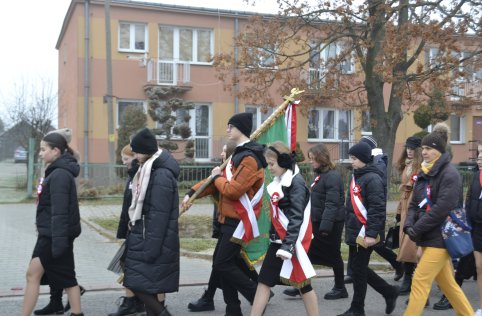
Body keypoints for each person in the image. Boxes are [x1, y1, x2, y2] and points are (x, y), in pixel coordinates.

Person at [182, 112, 266, 316]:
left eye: (231, 126)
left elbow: (233, 190)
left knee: (222, 263)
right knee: (221, 264)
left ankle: (257, 296)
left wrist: (216, 177)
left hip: (238, 219)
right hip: (227, 218)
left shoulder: (250, 158)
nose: (227, 129)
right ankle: (233, 309)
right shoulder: (237, 155)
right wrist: (191, 193)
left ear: (240, 129)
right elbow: (217, 184)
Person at [403, 132, 473, 315]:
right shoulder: (424, 172)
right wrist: (408, 224)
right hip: (427, 236)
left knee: (419, 280)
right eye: (423, 148)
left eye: (428, 148)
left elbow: (442, 208)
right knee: (449, 286)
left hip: (442, 237)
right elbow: (413, 203)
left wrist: (416, 228)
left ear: (439, 151)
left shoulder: (450, 174)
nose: (424, 152)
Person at [250, 141, 318, 316]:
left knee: (303, 284)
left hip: (291, 242)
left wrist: (288, 246)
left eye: (272, 164)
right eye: (268, 164)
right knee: (264, 281)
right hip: (278, 240)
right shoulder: (279, 180)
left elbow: (297, 218)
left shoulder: (296, 183)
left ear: (283, 161)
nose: (269, 168)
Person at [21, 132, 83, 316]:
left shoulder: (59, 175)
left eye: (43, 149)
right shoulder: (56, 172)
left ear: (55, 151)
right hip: (51, 234)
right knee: (52, 276)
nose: (40, 153)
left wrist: (59, 243)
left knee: (48, 276)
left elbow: (60, 212)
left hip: (54, 236)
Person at [123, 127, 180, 316]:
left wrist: (152, 247)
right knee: (147, 286)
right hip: (145, 235)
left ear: (145, 151)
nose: (135, 156)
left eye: (137, 152)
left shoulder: (160, 174)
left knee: (135, 282)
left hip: (152, 239)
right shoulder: (149, 169)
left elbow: (159, 215)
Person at [338, 142, 399, 316]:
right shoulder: (358, 175)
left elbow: (377, 208)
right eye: (351, 158)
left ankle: (358, 308)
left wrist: (371, 233)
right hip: (356, 230)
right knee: (358, 268)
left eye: (354, 158)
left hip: (365, 232)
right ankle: (388, 292)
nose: (351, 162)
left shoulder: (372, 178)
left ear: (364, 159)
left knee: (358, 269)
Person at [283, 143, 347, 300]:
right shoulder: (321, 174)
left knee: (334, 255)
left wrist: (325, 226)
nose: (311, 161)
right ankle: (303, 286)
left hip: (330, 224)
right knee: (308, 253)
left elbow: (332, 204)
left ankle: (340, 288)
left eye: (313, 159)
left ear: (321, 158)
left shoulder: (332, 176)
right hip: (319, 221)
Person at [108, 144, 145, 316]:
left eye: (126, 159)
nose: (124, 163)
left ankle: (132, 301)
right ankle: (135, 301)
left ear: (136, 157)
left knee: (127, 263)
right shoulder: (132, 176)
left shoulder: (140, 174)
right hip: (132, 226)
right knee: (127, 263)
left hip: (139, 226)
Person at [394, 136, 422, 296]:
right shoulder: (408, 165)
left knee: (410, 245)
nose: (409, 151)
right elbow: (404, 192)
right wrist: (398, 212)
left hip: (414, 208)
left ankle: (409, 279)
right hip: (405, 207)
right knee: (405, 243)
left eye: (412, 148)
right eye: (408, 148)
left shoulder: (420, 167)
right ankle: (408, 277)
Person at [462, 151, 482, 315]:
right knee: (479, 267)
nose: (480, 158)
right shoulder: (476, 176)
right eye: (479, 154)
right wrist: (467, 223)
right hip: (477, 228)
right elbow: (468, 200)